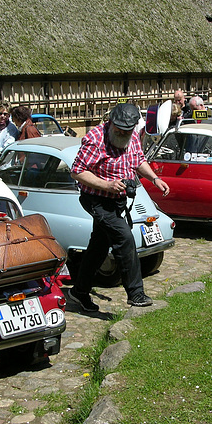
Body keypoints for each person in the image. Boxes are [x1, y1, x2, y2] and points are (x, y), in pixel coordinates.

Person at [68, 102, 170, 311]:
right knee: (124, 238)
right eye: (118, 128)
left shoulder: (132, 137)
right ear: (111, 121)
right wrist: (107, 184)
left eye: (127, 130)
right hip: (96, 199)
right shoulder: (95, 138)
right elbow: (77, 171)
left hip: (118, 201)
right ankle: (136, 294)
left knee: (98, 248)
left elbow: (138, 160)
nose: (122, 132)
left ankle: (78, 292)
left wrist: (154, 179)